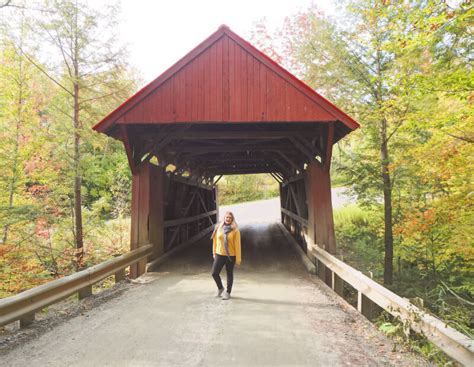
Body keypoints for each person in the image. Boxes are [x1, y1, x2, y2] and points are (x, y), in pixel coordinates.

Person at [211, 211, 241, 300]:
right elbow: (215, 241)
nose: (228, 219)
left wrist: (238, 258)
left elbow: (237, 245)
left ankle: (228, 292)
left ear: (232, 220)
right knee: (214, 273)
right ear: (224, 218)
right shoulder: (218, 227)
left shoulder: (235, 230)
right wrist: (214, 252)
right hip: (219, 254)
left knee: (229, 273)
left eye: (230, 218)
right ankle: (220, 288)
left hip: (230, 255)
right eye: (227, 217)